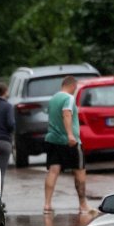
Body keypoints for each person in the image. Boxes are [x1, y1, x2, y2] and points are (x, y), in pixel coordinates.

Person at [43, 75, 92, 214]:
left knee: (53, 171)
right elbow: (67, 114)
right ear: (72, 86)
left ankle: (47, 204)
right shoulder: (69, 99)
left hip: (53, 139)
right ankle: (83, 204)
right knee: (79, 171)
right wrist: (70, 134)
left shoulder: (53, 99)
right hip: (69, 142)